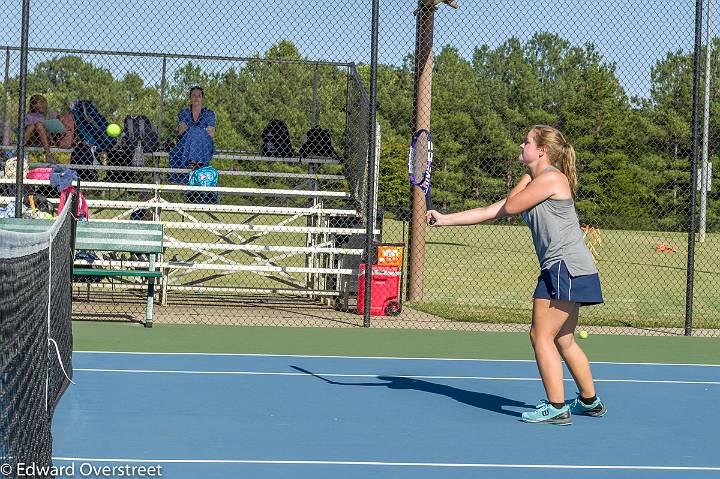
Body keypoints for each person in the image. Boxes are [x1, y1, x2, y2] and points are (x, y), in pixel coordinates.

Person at [426, 125, 606, 426]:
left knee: (540, 335)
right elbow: (488, 211)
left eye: (526, 142)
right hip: (575, 268)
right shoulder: (540, 182)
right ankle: (590, 402)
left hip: (563, 268)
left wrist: (525, 177)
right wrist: (445, 220)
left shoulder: (549, 178)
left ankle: (556, 406)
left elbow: (510, 206)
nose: (521, 145)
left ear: (541, 151)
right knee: (563, 339)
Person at [169, 86, 216, 183]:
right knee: (197, 132)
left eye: (199, 95)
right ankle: (197, 163)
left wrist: (191, 130)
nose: (196, 98)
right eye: (193, 95)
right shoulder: (184, 112)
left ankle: (194, 162)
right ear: (190, 98)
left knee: (195, 132)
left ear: (202, 98)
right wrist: (201, 130)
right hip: (185, 144)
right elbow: (181, 130)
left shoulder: (209, 113)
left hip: (205, 145)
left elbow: (211, 132)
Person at [23, 94, 57, 162]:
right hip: (31, 139)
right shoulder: (29, 116)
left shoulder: (51, 114)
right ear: (33, 106)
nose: (41, 105)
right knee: (32, 126)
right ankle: (18, 151)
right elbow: (25, 129)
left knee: (39, 125)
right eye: (36, 103)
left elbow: (55, 128)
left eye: (42, 102)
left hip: (46, 139)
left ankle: (48, 154)